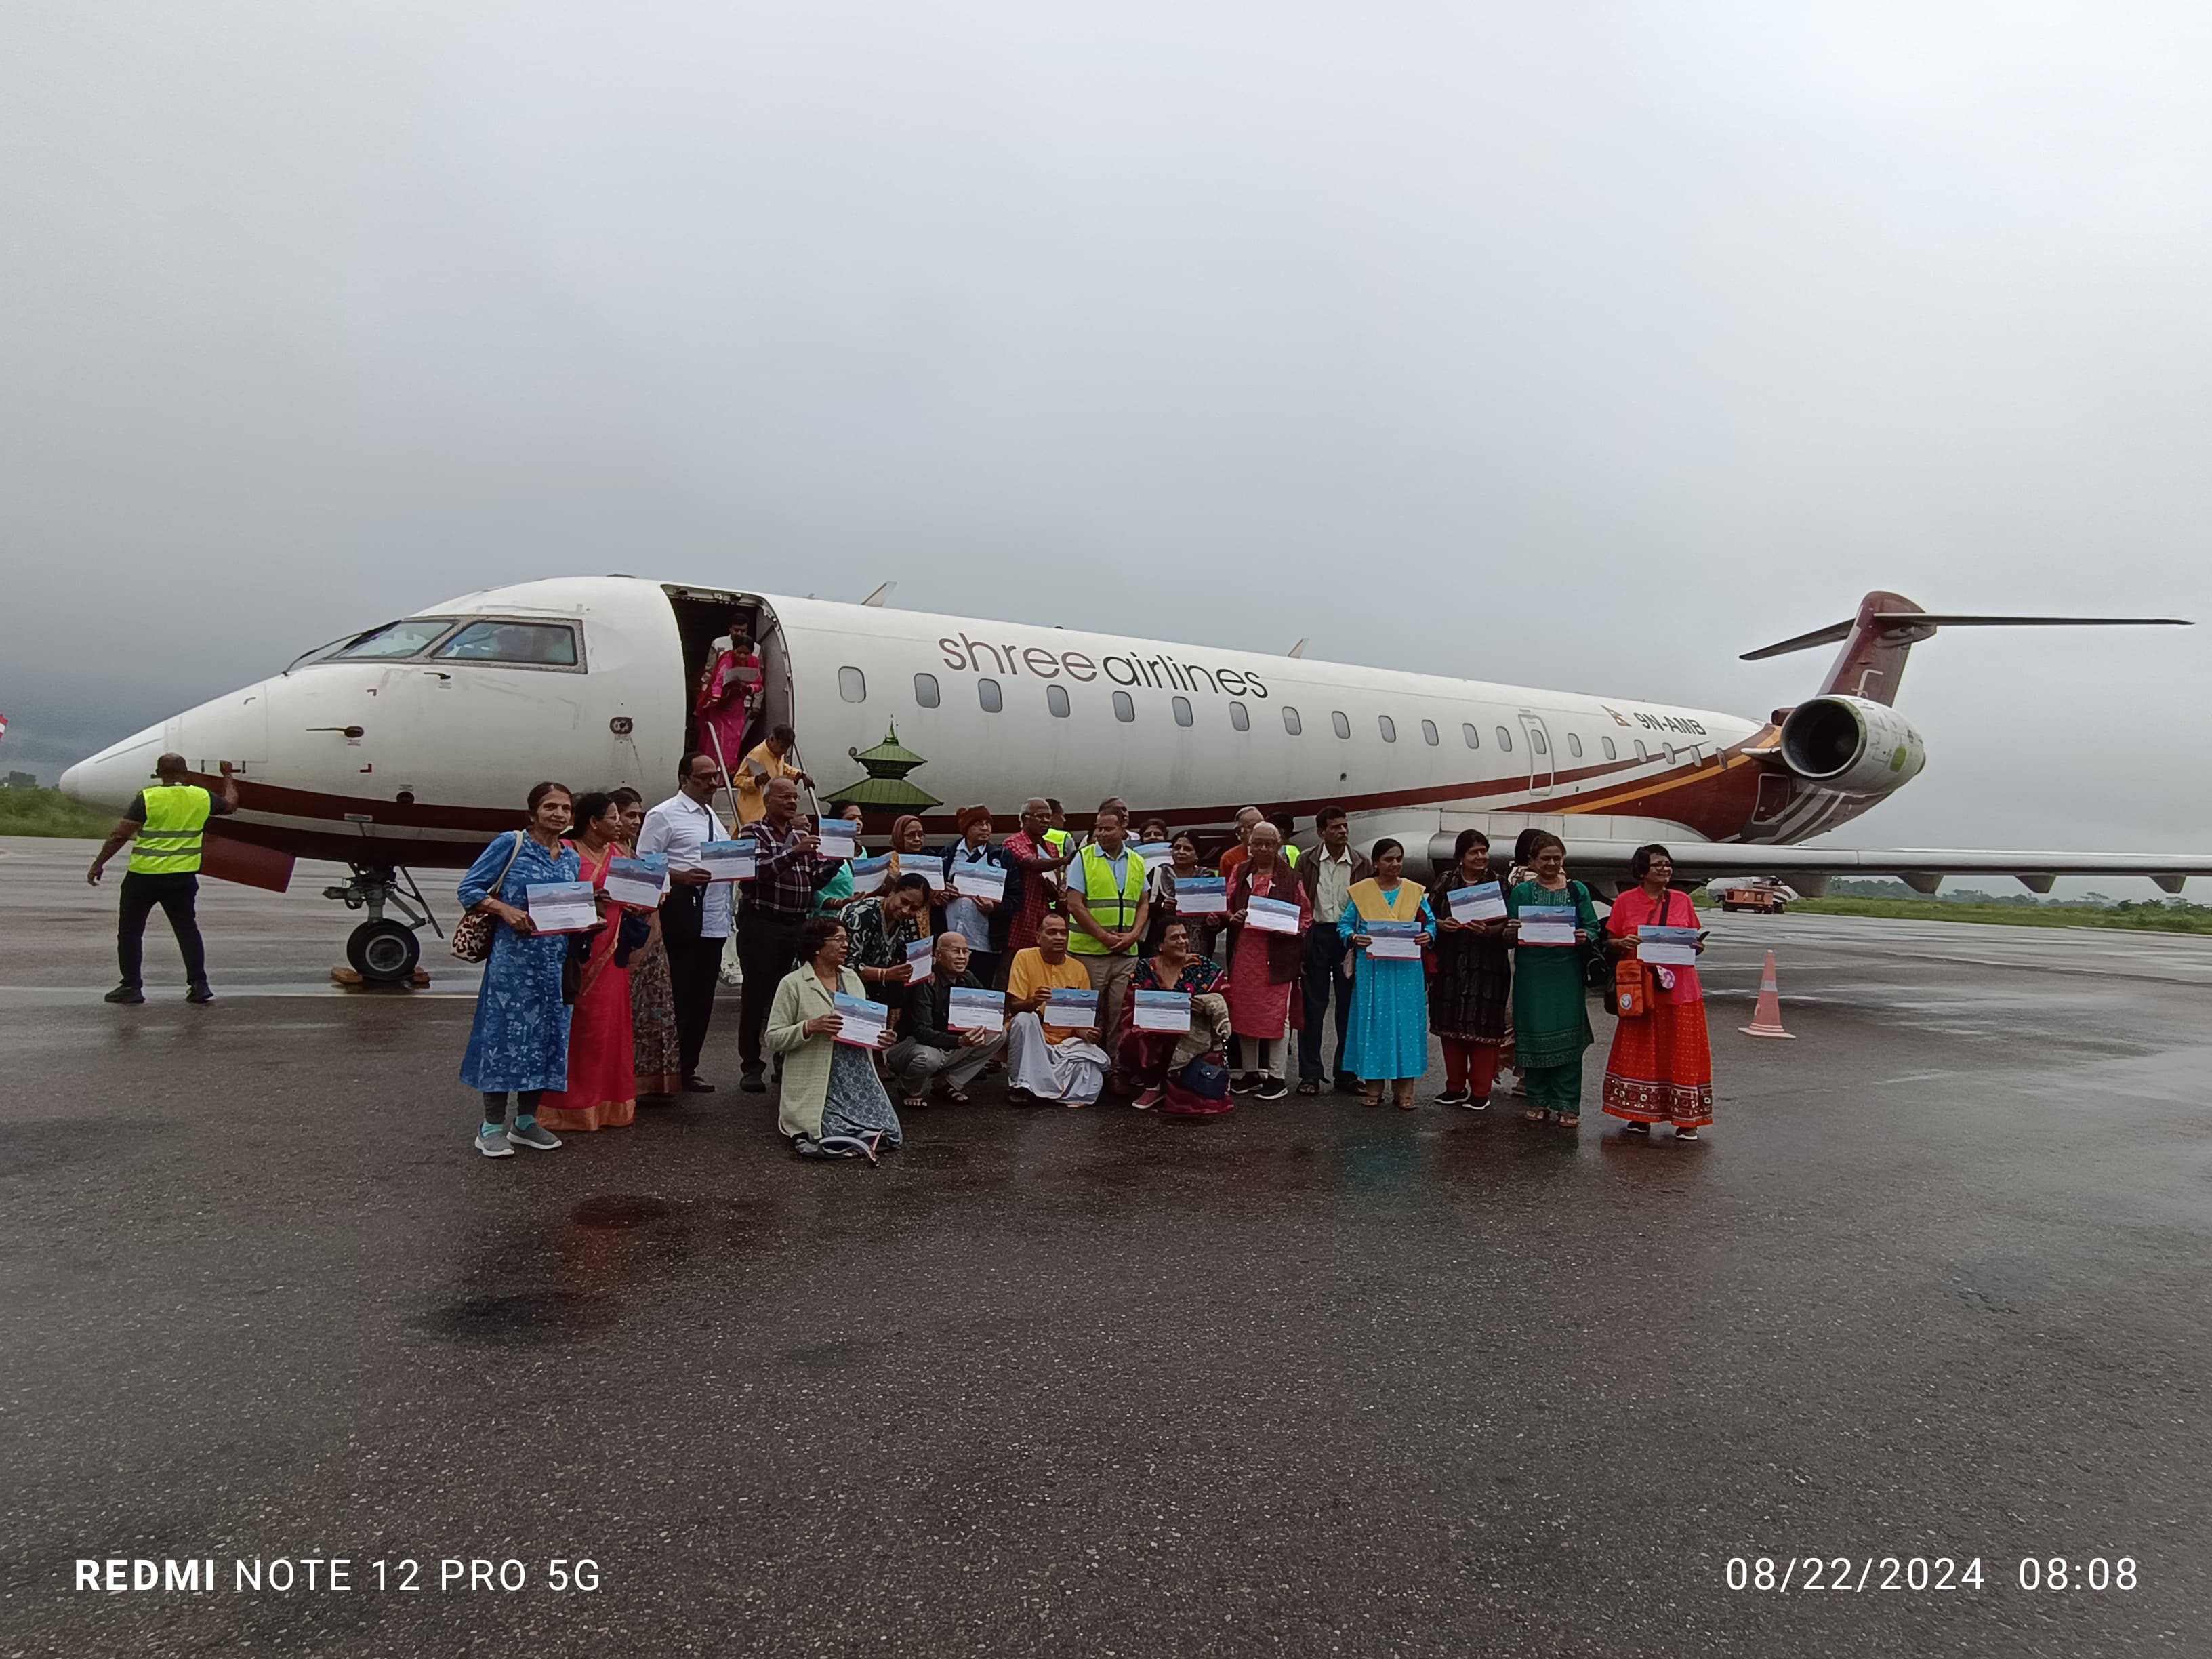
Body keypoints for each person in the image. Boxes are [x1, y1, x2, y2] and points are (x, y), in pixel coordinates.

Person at [457, 782, 583, 1158]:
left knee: (547, 1041)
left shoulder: (571, 856)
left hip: (555, 964)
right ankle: (491, 1125)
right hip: (513, 966)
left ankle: (526, 1122)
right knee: (504, 1041)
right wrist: (504, 910)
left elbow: (570, 904)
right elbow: (470, 889)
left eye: (565, 809)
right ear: (533, 813)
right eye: (550, 807)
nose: (558, 814)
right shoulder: (510, 844)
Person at [87, 752, 240, 1004]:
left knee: (130, 933)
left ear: (158, 774)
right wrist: (227, 777)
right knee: (187, 931)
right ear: (186, 772)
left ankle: (131, 987)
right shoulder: (201, 796)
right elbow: (231, 804)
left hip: (143, 877)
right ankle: (199, 985)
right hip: (181, 877)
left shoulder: (148, 797)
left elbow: (120, 834)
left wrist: (99, 863)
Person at [532, 792, 640, 1134]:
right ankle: (566, 1107)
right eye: (612, 818)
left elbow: (638, 896)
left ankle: (608, 1105)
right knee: (579, 1027)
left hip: (614, 950)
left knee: (609, 1027)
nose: (620, 824)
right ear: (593, 823)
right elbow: (547, 895)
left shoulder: (621, 853)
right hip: (576, 951)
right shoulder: (566, 851)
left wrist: (649, 896)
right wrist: (591, 896)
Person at [1601, 844, 1714, 1141]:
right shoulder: (1625, 902)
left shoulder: (1682, 902)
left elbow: (1693, 940)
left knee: (1682, 1052)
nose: (1665, 870)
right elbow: (1610, 940)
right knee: (1640, 1050)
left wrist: (1697, 947)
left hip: (1680, 990)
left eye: (1668, 865)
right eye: (1658, 865)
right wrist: (1621, 943)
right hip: (1640, 987)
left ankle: (1686, 1118)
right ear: (1641, 871)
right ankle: (1639, 1115)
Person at [764, 916, 903, 1158]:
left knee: (890, 1132)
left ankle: (853, 1141)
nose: (846, 945)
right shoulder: (793, 983)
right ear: (817, 945)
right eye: (839, 939)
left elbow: (864, 1027)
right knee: (825, 1130)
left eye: (847, 939)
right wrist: (809, 1027)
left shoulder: (851, 978)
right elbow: (773, 1038)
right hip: (820, 1074)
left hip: (857, 1072)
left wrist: (882, 1038)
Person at [635, 752, 731, 1092]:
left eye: (715, 776)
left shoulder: (713, 818)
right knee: (675, 997)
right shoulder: (664, 815)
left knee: (702, 1000)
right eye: (704, 777)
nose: (712, 783)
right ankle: (665, 1069)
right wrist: (680, 877)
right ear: (684, 779)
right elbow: (645, 864)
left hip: (714, 922)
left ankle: (688, 1066)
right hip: (682, 919)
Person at [735, 776, 840, 1090]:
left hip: (798, 926)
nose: (793, 803)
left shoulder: (800, 835)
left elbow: (812, 882)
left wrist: (835, 863)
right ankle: (751, 1065)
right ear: (768, 801)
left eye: (795, 798)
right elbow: (754, 874)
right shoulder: (754, 832)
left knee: (795, 993)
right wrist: (794, 852)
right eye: (785, 798)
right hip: (764, 924)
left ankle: (785, 1058)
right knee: (757, 995)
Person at [1504, 830, 1601, 1128]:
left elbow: (1594, 927)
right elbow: (1507, 934)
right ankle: (1537, 1099)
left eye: (1557, 858)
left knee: (1568, 1037)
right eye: (1545, 858)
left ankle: (1567, 1103)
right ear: (1531, 861)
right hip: (1532, 973)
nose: (1551, 863)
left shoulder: (1577, 891)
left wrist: (1588, 936)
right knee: (1533, 1034)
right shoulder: (1521, 893)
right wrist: (1512, 929)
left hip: (1566, 972)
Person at [1336, 839, 1435, 1109]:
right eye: (1389, 859)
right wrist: (1354, 937)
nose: (1395, 864)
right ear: (1376, 863)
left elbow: (1431, 922)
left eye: (1399, 859)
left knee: (1406, 1027)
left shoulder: (1414, 891)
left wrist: (1429, 935)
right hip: (1374, 968)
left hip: (1406, 970)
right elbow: (1344, 925)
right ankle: (1374, 1089)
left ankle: (1405, 1092)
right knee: (1375, 1024)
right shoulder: (1362, 892)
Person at [1223, 822, 1310, 1100]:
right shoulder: (1240, 871)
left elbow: (1306, 918)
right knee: (1244, 1015)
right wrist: (1231, 917)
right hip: (1246, 955)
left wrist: (1289, 928)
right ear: (1250, 845)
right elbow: (1227, 904)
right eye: (1257, 843)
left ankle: (1277, 1076)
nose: (1262, 848)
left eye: (1268, 844)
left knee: (1276, 1018)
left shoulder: (1291, 877)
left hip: (1278, 957)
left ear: (1277, 846)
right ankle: (1250, 1073)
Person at [1428, 828, 1511, 1110]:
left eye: (1484, 851)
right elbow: (1429, 916)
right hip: (1451, 965)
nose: (1481, 857)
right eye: (1474, 852)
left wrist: (1490, 931)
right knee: (1450, 1029)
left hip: (1488, 967)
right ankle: (1454, 1087)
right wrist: (1442, 925)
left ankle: (1480, 1090)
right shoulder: (1446, 881)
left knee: (1484, 1030)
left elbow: (1511, 924)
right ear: (1460, 856)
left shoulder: (1498, 882)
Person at [1113, 919, 1229, 1107]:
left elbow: (1226, 999)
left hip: (1191, 1039)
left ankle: (1180, 1079)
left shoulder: (1203, 967)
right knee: (1133, 1039)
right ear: (1161, 946)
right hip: (1154, 1036)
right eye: (1175, 938)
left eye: (1184, 937)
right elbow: (1129, 1006)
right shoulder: (1145, 969)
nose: (1183, 942)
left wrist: (1206, 1006)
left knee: (1195, 1101)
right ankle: (1153, 1086)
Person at [613, 787, 682, 1101]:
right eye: (628, 815)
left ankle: (649, 1081)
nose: (636, 822)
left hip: (649, 935)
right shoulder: (601, 853)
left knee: (650, 1008)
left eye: (637, 815)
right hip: (618, 941)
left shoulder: (633, 853)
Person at [887, 933, 1008, 1107]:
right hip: (914, 1046)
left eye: (966, 952)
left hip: (949, 1045)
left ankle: (948, 1083)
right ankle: (910, 1089)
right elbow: (921, 1031)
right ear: (938, 955)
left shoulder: (967, 978)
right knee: (928, 1058)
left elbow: (989, 1012)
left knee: (998, 1034)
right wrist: (959, 1040)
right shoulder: (926, 980)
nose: (962, 957)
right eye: (955, 951)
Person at [1062, 802, 1150, 1044]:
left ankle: (1115, 1066)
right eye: (1098, 829)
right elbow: (1074, 904)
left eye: (1107, 829)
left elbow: (1144, 901)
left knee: (1120, 1014)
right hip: (1090, 953)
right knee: (1089, 1014)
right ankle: (1088, 1063)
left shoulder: (1137, 860)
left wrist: (1133, 935)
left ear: (1123, 829)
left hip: (1126, 953)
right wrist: (1103, 936)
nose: (1101, 834)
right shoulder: (1083, 858)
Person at [1296, 805, 1369, 1094]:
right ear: (1321, 831)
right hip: (1316, 935)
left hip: (1349, 938)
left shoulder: (1361, 862)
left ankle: (1347, 1074)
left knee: (1349, 1008)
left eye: (1345, 826)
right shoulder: (1306, 860)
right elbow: (1297, 901)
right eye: (1335, 827)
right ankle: (1310, 1074)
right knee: (1313, 1007)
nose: (1342, 831)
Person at [1005, 913, 1110, 1105]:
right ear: (1038, 937)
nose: (1059, 938)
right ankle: (1021, 1086)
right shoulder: (1024, 957)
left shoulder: (1078, 969)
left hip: (1065, 1043)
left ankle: (1045, 1090)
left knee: (1091, 1075)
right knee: (1023, 1020)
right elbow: (1014, 1006)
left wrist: (1087, 1033)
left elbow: (1081, 1022)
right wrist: (1033, 1002)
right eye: (1052, 933)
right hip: (1033, 1038)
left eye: (1063, 933)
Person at [942, 804, 1020, 987]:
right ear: (966, 829)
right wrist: (942, 891)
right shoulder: (948, 854)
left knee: (978, 990)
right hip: (950, 938)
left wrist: (994, 908)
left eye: (988, 824)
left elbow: (1015, 900)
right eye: (979, 824)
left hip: (983, 943)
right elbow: (932, 891)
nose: (985, 828)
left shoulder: (1002, 857)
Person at [841, 873, 934, 1009]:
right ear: (892, 893)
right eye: (904, 902)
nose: (906, 910)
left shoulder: (906, 919)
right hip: (845, 988)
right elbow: (845, 965)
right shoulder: (861, 915)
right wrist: (884, 974)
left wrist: (926, 968)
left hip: (877, 990)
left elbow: (909, 953)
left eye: (914, 908)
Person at [1002, 797, 1074, 968]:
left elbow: (1054, 879)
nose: (1046, 821)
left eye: (1048, 817)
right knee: (1012, 969)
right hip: (1020, 919)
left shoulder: (1051, 847)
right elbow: (1032, 864)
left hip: (1043, 915)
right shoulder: (1013, 842)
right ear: (1025, 818)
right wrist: (1064, 860)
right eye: (1040, 816)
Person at [694, 617, 763, 779]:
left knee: (734, 740)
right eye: (739, 652)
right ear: (734, 650)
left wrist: (750, 689)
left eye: (746, 653)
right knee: (718, 739)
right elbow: (717, 680)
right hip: (721, 706)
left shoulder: (754, 661)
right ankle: (713, 773)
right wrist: (716, 697)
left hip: (738, 705)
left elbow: (759, 683)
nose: (742, 656)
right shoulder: (726, 658)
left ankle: (727, 773)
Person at [733, 724, 814, 827]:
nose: (784, 752)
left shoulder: (778, 753)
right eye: (782, 748)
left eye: (786, 748)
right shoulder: (756, 754)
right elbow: (737, 780)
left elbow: (782, 767)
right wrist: (756, 781)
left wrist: (800, 774)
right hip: (755, 813)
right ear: (772, 740)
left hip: (772, 810)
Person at [1145, 830, 1206, 954]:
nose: (1181, 852)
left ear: (1197, 854)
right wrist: (1162, 906)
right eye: (1177, 848)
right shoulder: (1158, 874)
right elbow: (1142, 907)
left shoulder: (1207, 878)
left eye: (1187, 849)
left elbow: (1217, 916)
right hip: (1161, 947)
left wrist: (1214, 923)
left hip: (1197, 946)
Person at [812, 802, 867, 916]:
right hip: (826, 920)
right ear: (836, 822)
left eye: (860, 818)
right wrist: (838, 903)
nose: (858, 822)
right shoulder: (820, 850)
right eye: (851, 818)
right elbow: (810, 889)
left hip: (853, 918)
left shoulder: (862, 851)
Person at [1215, 806, 1266, 884]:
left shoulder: (1275, 852)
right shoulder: (1229, 858)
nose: (1260, 829)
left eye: (1263, 824)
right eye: (1253, 827)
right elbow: (1227, 890)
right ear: (1240, 832)